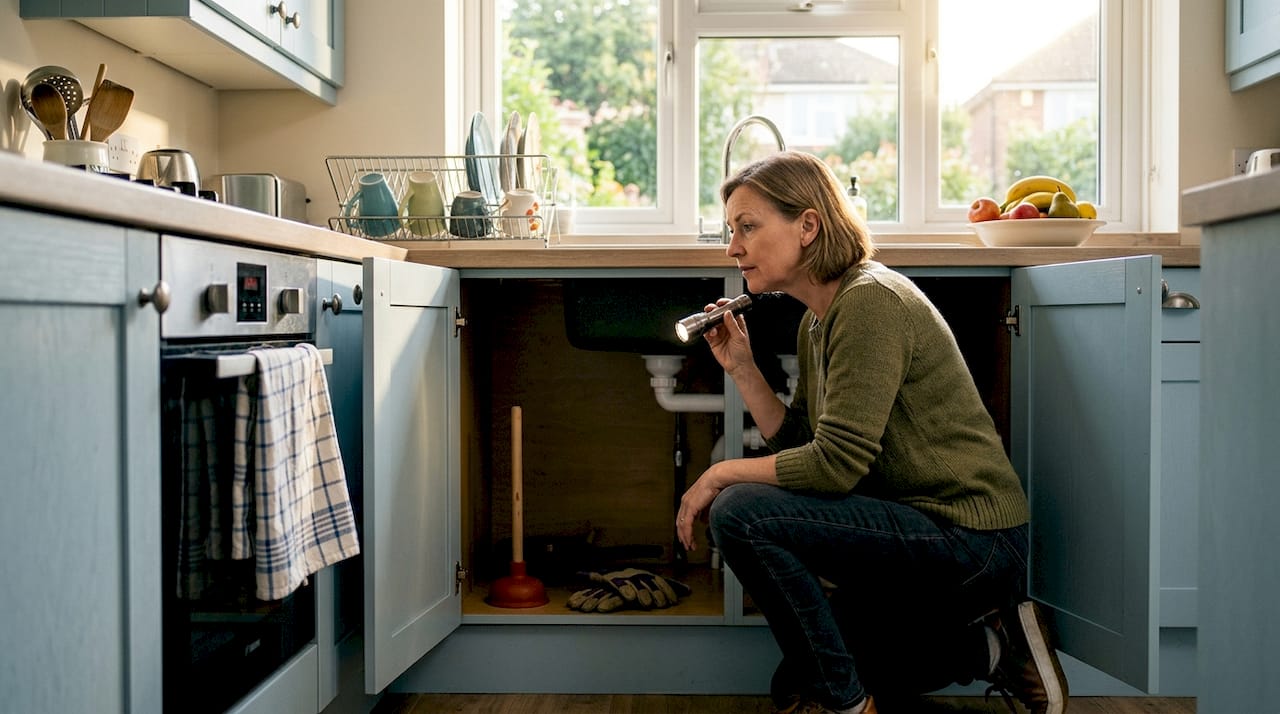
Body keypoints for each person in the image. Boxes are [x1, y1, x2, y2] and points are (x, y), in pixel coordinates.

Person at [674, 151, 1069, 714]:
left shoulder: (869, 303)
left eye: (748, 227)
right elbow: (804, 448)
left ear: (808, 226)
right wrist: (743, 369)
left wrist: (719, 472)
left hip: (970, 537)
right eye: (731, 230)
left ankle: (849, 707)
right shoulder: (820, 318)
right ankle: (992, 646)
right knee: (794, 680)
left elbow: (833, 467)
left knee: (739, 510)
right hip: (912, 528)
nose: (733, 246)